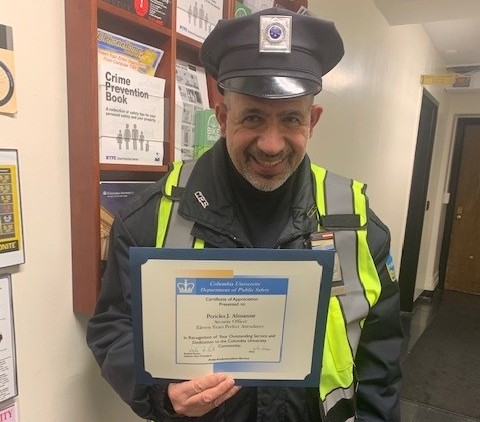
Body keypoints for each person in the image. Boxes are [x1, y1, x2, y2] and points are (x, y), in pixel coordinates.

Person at [87, 7, 403, 422]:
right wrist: (161, 393)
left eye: (291, 119)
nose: (271, 145)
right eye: (252, 117)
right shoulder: (151, 216)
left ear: (313, 119)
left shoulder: (357, 222)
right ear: (222, 117)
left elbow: (381, 361)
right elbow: (112, 326)